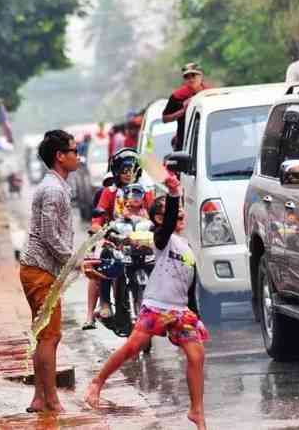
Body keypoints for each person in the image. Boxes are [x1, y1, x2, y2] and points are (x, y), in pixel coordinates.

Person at [84, 175, 208, 430]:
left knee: (197, 355)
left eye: (183, 216)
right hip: (156, 305)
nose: (181, 218)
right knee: (133, 347)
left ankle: (197, 412)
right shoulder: (161, 240)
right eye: (177, 216)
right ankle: (97, 382)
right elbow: (169, 220)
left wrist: (195, 314)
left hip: (180, 310)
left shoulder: (185, 247)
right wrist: (173, 194)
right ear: (160, 220)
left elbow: (190, 284)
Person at [20, 130, 97, 413]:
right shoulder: (53, 189)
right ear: (59, 156)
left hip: (42, 271)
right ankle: (50, 400)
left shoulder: (57, 186)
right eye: (74, 151)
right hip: (40, 271)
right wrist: (77, 262)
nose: (78, 156)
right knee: (50, 337)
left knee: (46, 335)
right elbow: (51, 236)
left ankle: (40, 398)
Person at [83, 148, 151, 329]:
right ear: (117, 171)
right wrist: (99, 229)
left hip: (141, 240)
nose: (129, 175)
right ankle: (104, 303)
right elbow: (97, 220)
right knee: (103, 259)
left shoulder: (146, 191)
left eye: (132, 170)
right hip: (115, 239)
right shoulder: (109, 192)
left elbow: (155, 214)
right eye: (124, 170)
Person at [163, 62, 208, 151]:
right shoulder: (177, 96)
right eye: (187, 77)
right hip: (184, 144)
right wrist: (183, 111)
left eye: (194, 75)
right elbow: (165, 119)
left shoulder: (209, 93)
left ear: (201, 76)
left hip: (205, 142)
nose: (191, 79)